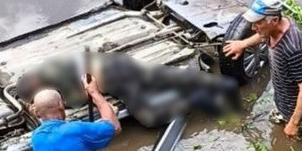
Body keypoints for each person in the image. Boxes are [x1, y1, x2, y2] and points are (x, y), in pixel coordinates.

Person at [17, 51, 240, 128]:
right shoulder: (48, 73)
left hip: (121, 77)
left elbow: (76, 100)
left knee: (149, 118)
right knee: (160, 76)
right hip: (116, 69)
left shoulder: (58, 77)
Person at [223, 0, 302, 140]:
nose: (252, 27)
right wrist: (242, 44)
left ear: (274, 20)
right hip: (285, 100)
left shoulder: (291, 49)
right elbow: (263, 34)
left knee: (297, 147)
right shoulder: (277, 26)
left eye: (257, 23)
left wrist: (294, 123)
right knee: (277, 131)